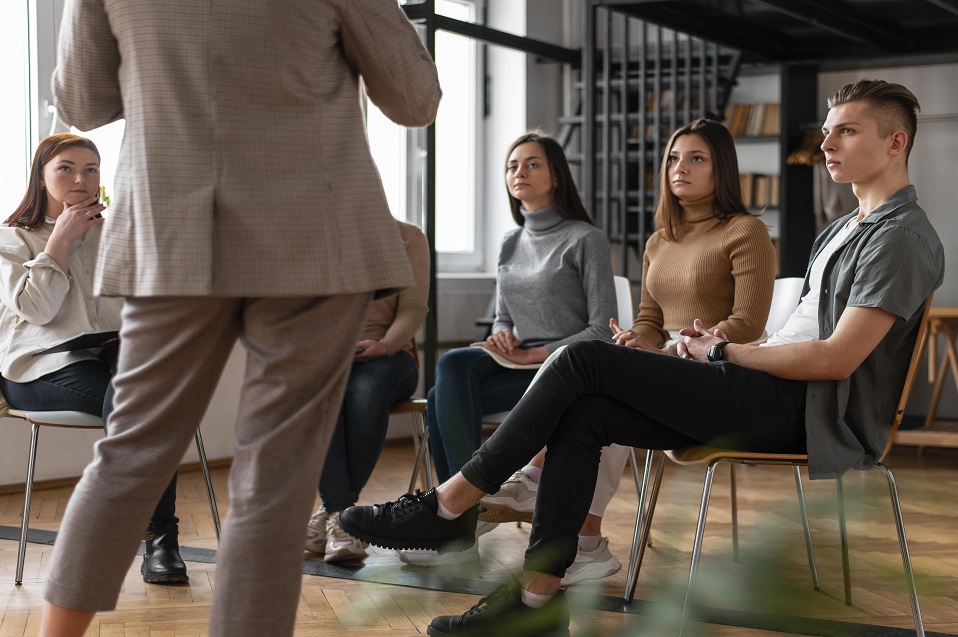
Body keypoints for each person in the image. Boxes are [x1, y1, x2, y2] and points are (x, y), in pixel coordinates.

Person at [338, 78, 944, 636]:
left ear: (896, 142)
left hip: (812, 411)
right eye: (828, 128)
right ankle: (537, 603)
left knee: (584, 363)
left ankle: (447, 505)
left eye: (847, 130)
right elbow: (791, 338)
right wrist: (717, 353)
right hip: (768, 385)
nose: (827, 142)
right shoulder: (841, 228)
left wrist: (723, 350)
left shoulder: (902, 238)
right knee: (586, 413)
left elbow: (838, 360)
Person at [40, 1, 440, 636]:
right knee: (274, 483)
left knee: (130, 453)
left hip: (172, 234)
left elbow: (82, 102)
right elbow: (415, 100)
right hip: (313, 239)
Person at [478, 119, 776, 586]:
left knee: (592, 375)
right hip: (668, 372)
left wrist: (680, 348)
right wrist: (639, 341)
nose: (680, 168)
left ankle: (534, 485)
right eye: (674, 159)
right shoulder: (660, 241)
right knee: (598, 396)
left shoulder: (745, 231)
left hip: (719, 376)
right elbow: (650, 320)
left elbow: (747, 325)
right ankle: (585, 542)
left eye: (696, 158)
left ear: (723, 169)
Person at [403, 131, 617, 566]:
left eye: (532, 164)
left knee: (451, 375)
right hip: (515, 364)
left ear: (556, 175)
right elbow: (504, 315)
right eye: (512, 166)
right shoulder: (509, 241)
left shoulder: (584, 238)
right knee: (453, 368)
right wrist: (503, 335)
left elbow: (602, 331)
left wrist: (534, 355)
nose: (519, 172)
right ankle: (468, 507)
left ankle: (458, 518)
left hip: (563, 371)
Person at [0, 133, 189, 585]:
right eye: (66, 168)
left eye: (91, 169)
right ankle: (157, 535)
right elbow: (38, 311)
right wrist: (60, 240)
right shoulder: (13, 238)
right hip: (40, 367)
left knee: (145, 390)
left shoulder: (120, 233)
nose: (80, 179)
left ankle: (139, 529)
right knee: (147, 408)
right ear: (42, 177)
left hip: (114, 354)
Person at [305, 220, 430, 562]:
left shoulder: (408, 237)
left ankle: (335, 514)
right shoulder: (316, 233)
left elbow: (414, 308)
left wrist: (385, 345)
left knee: (366, 391)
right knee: (318, 392)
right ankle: (342, 516)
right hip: (333, 359)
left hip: (391, 357)